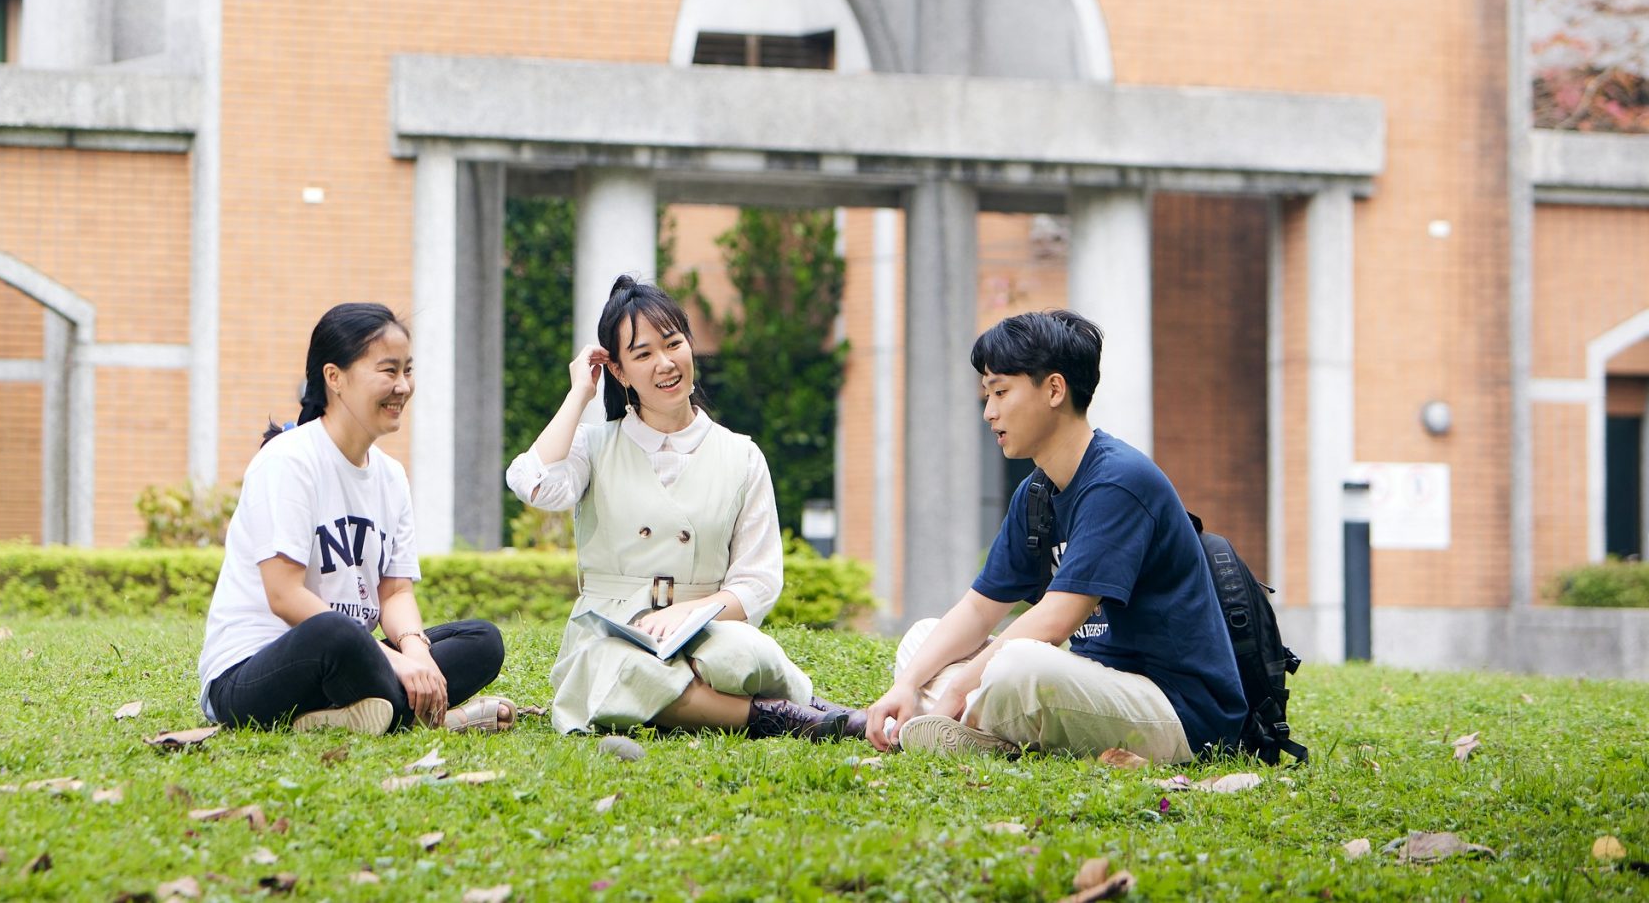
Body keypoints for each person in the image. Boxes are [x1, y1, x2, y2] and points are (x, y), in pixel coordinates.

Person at [863, 308, 1248, 762]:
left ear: (1054, 389)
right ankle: (984, 730)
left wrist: (960, 688)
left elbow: (1054, 621)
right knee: (923, 639)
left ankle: (971, 723)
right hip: (1092, 685)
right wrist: (904, 685)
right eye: (987, 395)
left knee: (1019, 666)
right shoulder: (1037, 493)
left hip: (1178, 713)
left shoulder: (1117, 482)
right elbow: (977, 610)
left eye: (1001, 392)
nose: (989, 412)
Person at [507, 275, 864, 741]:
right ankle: (781, 717)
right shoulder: (593, 446)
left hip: (706, 626)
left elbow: (758, 581)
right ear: (618, 371)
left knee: (740, 655)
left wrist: (692, 614)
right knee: (615, 667)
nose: (665, 363)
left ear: (691, 345)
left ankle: (713, 704)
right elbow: (531, 482)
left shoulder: (742, 455)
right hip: (614, 633)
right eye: (642, 354)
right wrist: (580, 394)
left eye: (673, 344)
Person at [197, 302, 516, 736]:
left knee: (482, 641)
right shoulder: (289, 461)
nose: (402, 386)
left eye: (408, 370)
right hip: (249, 674)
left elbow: (396, 591)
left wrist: (415, 651)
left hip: (354, 661)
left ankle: (352, 715)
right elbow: (285, 595)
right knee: (336, 631)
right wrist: (395, 662)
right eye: (388, 371)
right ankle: (438, 719)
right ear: (335, 378)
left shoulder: (390, 476)